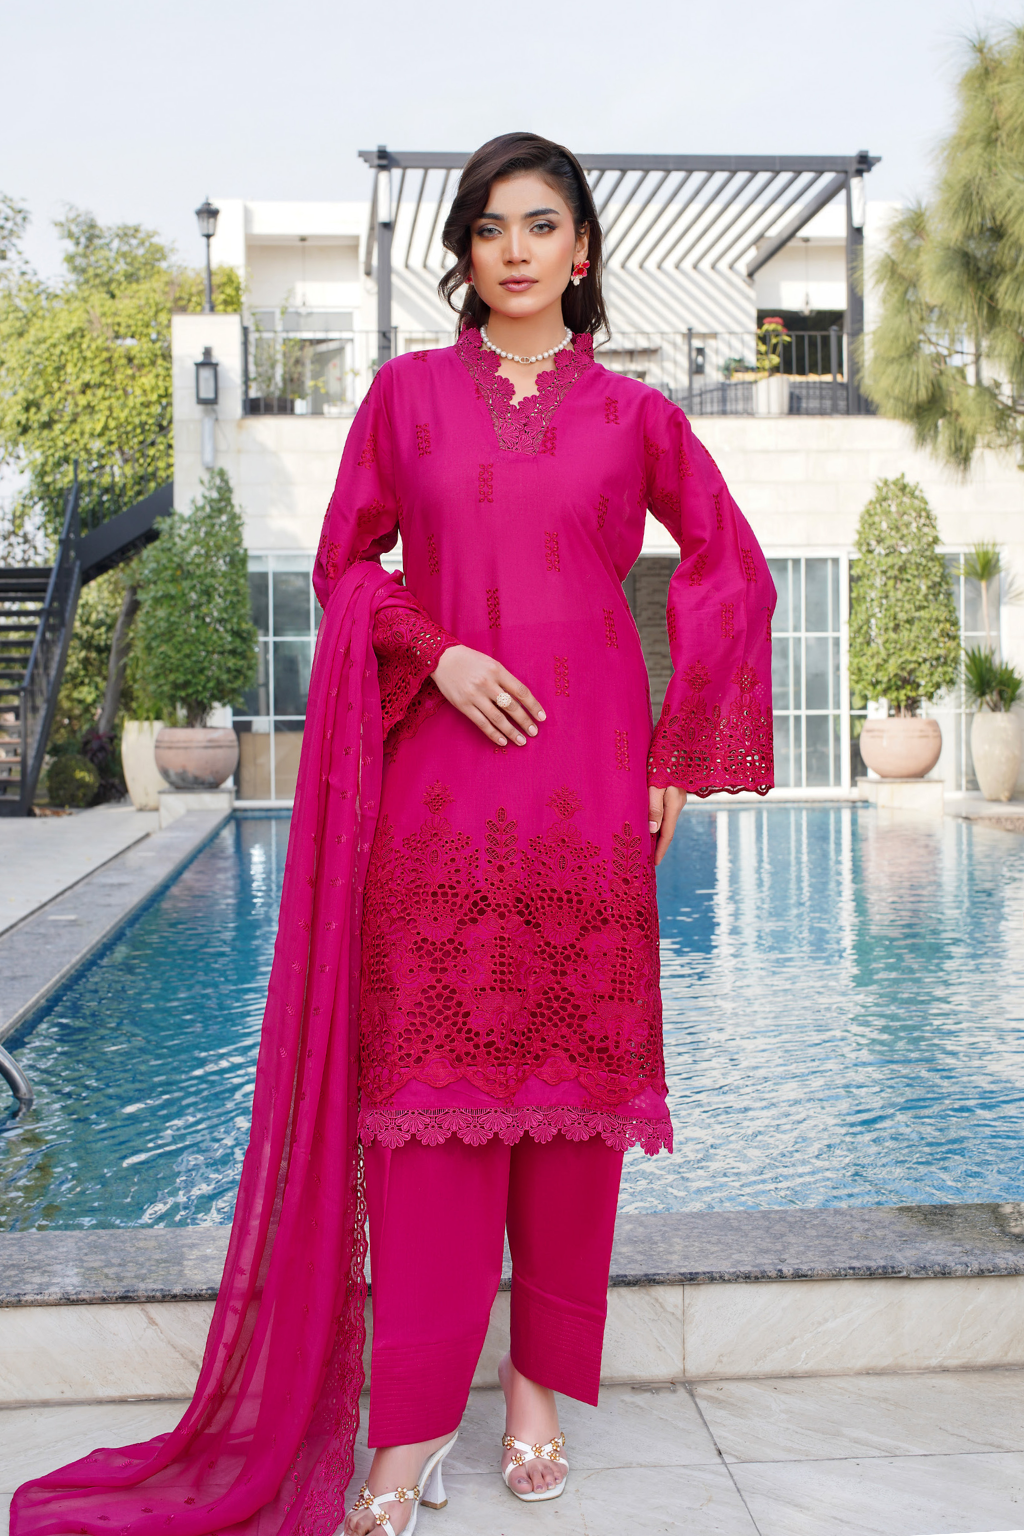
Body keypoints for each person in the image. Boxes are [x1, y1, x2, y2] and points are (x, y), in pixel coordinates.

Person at [11, 133, 773, 1536]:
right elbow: (345, 563)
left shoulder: (636, 417)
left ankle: (538, 1394)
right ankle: (411, 1422)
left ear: (583, 251)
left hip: (589, 782)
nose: (515, 249)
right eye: (490, 227)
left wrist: (680, 748)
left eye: (541, 224)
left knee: (574, 1107)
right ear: (466, 254)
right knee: (426, 1108)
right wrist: (439, 648)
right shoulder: (408, 397)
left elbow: (731, 563)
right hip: (441, 781)